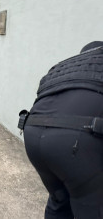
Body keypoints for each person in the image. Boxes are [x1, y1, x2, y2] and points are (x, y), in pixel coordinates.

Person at [19, 41, 103, 218]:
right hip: (75, 141)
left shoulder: (64, 65)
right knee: (90, 206)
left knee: (59, 200)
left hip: (32, 131)